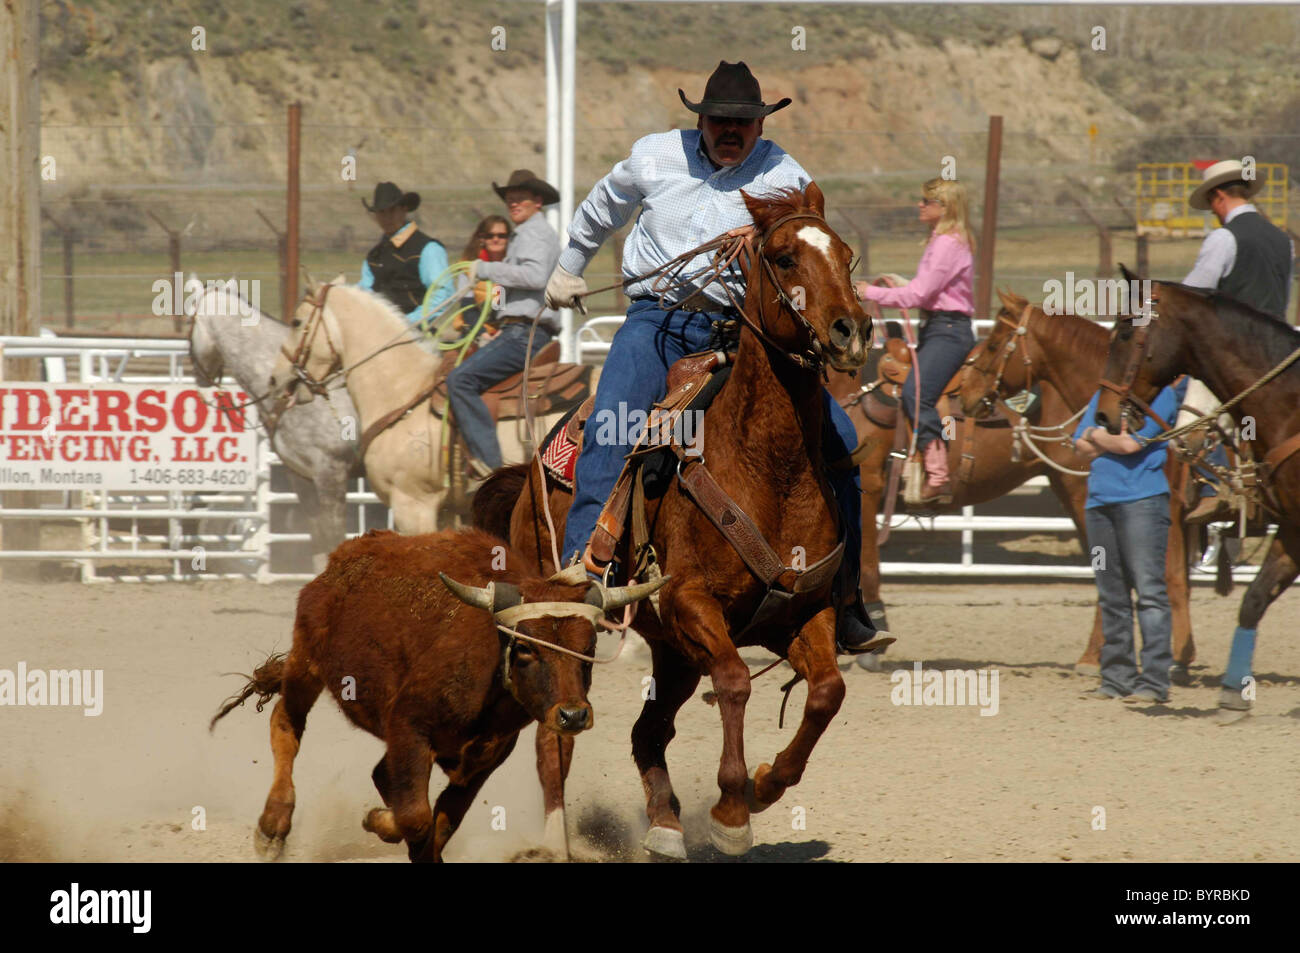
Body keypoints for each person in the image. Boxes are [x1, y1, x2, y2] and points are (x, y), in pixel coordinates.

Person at [544, 60, 879, 651]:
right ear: (700, 119)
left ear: (758, 125)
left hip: (740, 331)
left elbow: (803, 233)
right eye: (721, 119)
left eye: (743, 122)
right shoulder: (654, 157)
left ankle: (844, 596)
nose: (731, 130)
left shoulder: (782, 171)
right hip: (657, 321)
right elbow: (603, 206)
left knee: (839, 444)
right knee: (614, 424)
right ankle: (586, 571)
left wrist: (770, 232)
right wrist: (569, 268)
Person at [1180, 159, 1295, 523]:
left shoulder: (1224, 238)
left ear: (1217, 197)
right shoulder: (1282, 240)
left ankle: (1215, 491)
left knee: (1188, 427)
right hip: (1278, 358)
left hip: (1231, 355)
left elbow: (1193, 297)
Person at [854, 179, 976, 503]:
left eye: (927, 201)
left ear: (945, 208)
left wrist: (871, 292)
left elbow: (919, 294)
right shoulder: (942, 241)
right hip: (939, 327)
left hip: (948, 331)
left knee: (916, 393)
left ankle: (937, 473)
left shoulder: (948, 244)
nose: (920, 205)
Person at [1072, 378, 1186, 703]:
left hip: (1143, 503)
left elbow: (1131, 445)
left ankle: (1153, 681)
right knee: (1111, 595)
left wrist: (1094, 434)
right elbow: (1078, 446)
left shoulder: (1161, 395)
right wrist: (1105, 438)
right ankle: (1116, 678)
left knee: (1149, 592)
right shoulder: (1102, 395)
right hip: (1098, 505)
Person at [447, 171, 562, 478]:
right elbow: (513, 289)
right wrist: (488, 316)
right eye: (510, 198)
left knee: (460, 380)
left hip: (523, 334)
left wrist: (484, 268)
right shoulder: (524, 235)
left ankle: (490, 467)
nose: (513, 203)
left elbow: (535, 277)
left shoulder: (532, 233)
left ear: (537, 201)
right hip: (515, 328)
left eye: (520, 197)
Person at [358, 181, 452, 322]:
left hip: (416, 334)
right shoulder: (374, 256)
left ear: (404, 210)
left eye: (392, 210)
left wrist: (406, 322)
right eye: (382, 212)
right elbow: (364, 293)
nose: (386, 217)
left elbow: (442, 295)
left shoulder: (428, 249)